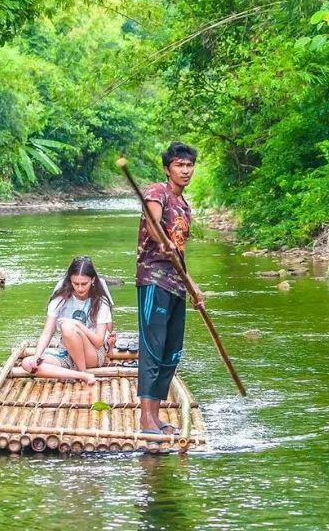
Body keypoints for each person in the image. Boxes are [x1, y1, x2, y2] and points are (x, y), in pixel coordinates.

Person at [135, 141, 204, 436]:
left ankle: (156, 416)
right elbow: (153, 223)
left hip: (176, 285)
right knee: (152, 349)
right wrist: (160, 238)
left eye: (189, 165)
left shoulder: (185, 205)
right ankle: (145, 419)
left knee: (171, 352)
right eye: (179, 165)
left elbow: (179, 252)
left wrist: (193, 287)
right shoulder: (156, 192)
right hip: (154, 280)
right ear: (167, 169)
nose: (185, 170)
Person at [20, 256, 115, 385]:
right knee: (27, 363)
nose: (80, 288)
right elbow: (48, 331)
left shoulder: (100, 301)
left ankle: (82, 371)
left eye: (84, 284)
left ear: (92, 280)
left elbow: (98, 341)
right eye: (76, 284)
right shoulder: (60, 299)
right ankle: (80, 374)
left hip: (92, 354)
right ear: (70, 281)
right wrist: (37, 354)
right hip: (67, 353)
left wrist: (77, 324)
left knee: (67, 326)